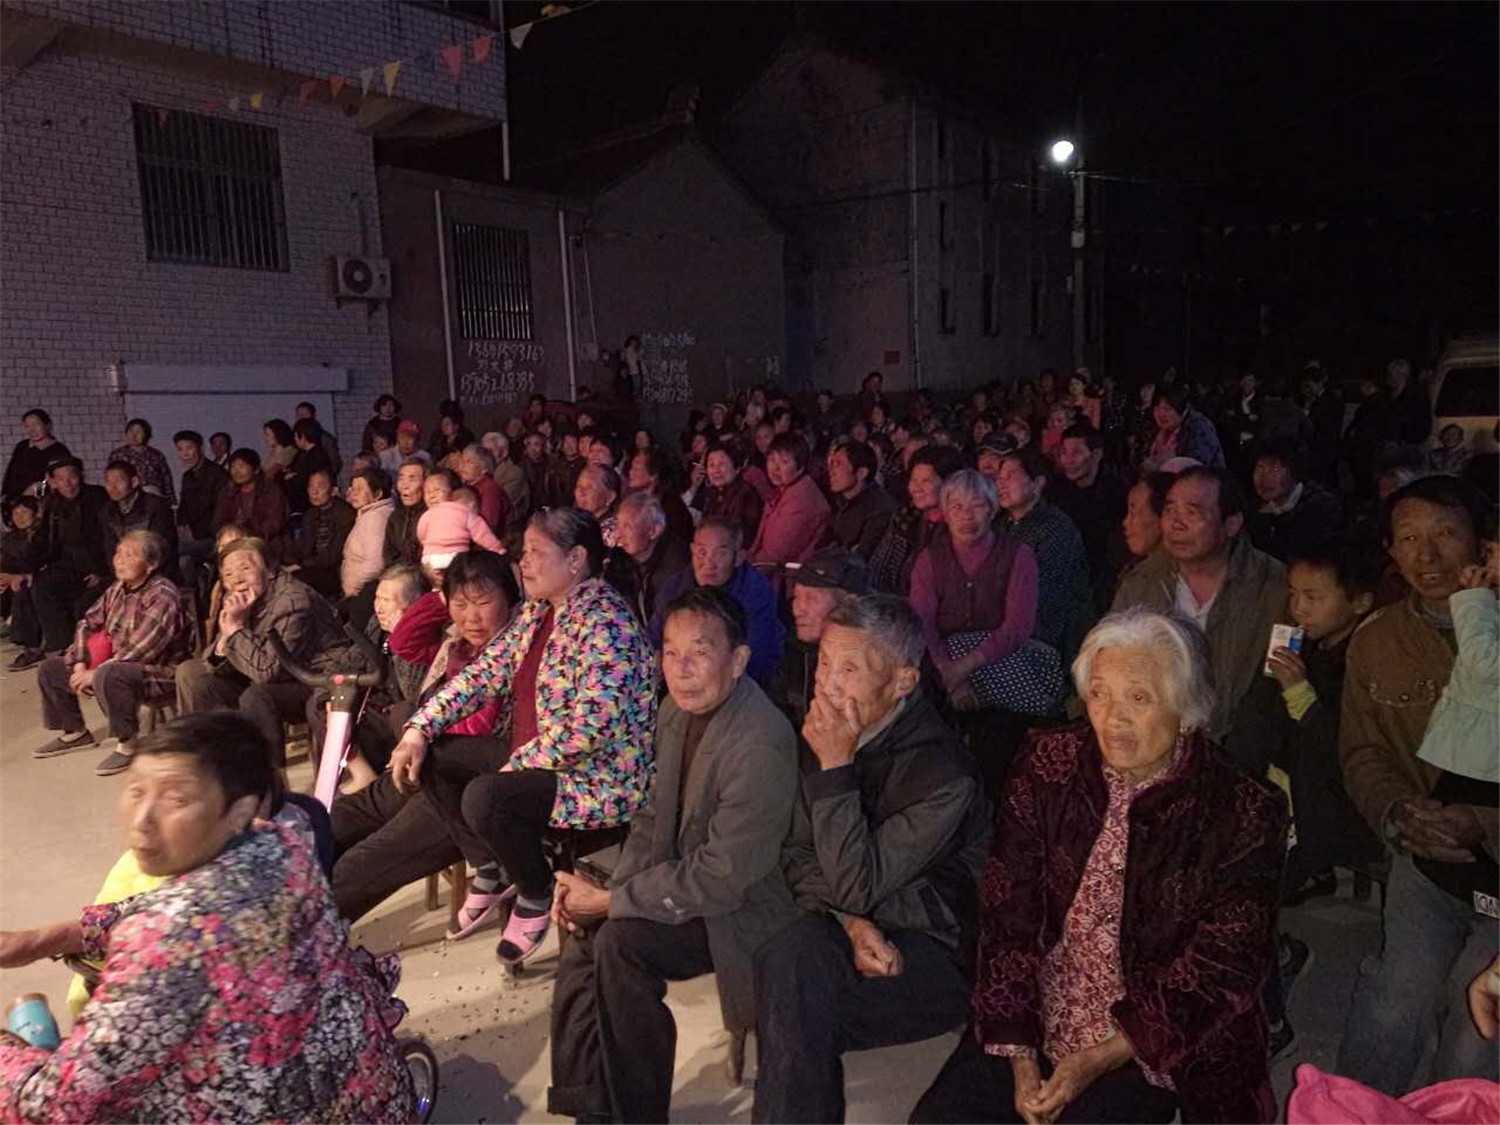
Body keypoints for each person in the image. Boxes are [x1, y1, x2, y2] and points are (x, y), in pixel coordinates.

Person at [911, 608, 1288, 1125]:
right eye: (1099, 694)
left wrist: (1103, 1055)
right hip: (1040, 1009)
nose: (1113, 719)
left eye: (1139, 698)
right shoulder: (1049, 764)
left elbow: (1225, 961)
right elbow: (1007, 912)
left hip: (1152, 1039)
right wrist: (1019, 1053)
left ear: (1187, 709)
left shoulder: (1241, 807)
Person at [0, 711, 416, 1124]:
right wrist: (47, 938)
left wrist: (8, 1057)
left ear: (239, 812)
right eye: (136, 790)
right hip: (371, 1098)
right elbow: (190, 914)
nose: (143, 821)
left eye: (177, 799)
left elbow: (56, 1105)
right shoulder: (282, 846)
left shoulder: (162, 943)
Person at [546, 588, 802, 1122]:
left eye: (699, 652)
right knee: (580, 924)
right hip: (684, 882)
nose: (681, 669)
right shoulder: (674, 712)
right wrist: (605, 893)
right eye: (670, 651)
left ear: (738, 660)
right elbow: (649, 819)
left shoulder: (759, 742)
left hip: (742, 910)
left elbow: (723, 877)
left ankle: (636, 1115)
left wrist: (614, 901)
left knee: (620, 944)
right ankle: (589, 1103)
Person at [751, 594, 990, 1124]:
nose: (829, 685)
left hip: (932, 955)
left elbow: (856, 883)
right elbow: (796, 853)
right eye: (825, 663)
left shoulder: (945, 775)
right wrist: (851, 923)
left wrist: (836, 769)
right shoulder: (827, 731)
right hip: (855, 928)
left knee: (793, 1004)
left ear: (904, 681)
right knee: (790, 959)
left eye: (851, 669)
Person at [388, 508, 658, 964]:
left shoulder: (606, 622)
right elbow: (484, 674)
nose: (524, 562)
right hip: (540, 759)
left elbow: (589, 729)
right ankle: (489, 865)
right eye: (524, 552)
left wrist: (515, 766)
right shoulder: (539, 611)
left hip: (594, 777)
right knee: (432, 753)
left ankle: (536, 889)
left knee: (485, 797)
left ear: (575, 560)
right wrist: (419, 726)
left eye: (535, 552)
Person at [1337, 476, 1499, 1094]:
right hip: (1425, 859)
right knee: (1392, 1000)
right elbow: (1363, 750)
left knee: (1475, 1027)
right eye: (1408, 538)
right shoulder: (1378, 640)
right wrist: (1397, 811)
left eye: (1445, 533)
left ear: (1481, 544)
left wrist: (1483, 822)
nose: (1426, 555)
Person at [1225, 538, 1386, 1052]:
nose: (1298, 608)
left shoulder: (1368, 657)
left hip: (1335, 807)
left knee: (1241, 886)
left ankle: (1268, 1012)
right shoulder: (1302, 647)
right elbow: (1256, 730)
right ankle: (1274, 960)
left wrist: (1299, 693)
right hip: (1283, 791)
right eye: (1293, 595)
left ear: (1359, 602)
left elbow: (1344, 755)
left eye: (1313, 597)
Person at [330, 552, 521, 923]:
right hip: (423, 769)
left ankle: (302, 942)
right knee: (332, 823)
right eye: (460, 604)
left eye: (483, 603)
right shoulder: (453, 645)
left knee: (354, 871)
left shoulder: (519, 650)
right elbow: (405, 638)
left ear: (511, 599)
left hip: (463, 791)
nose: (471, 617)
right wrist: (441, 592)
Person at [1111, 467, 1286, 740]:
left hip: (1237, 746)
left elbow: (1279, 684)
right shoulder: (1142, 582)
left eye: (1192, 513)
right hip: (1155, 740)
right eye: (1169, 510)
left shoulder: (1272, 585)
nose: (1175, 524)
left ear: (1231, 524)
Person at [175, 537, 358, 759]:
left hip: (314, 678)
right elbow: (213, 662)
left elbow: (267, 671)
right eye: (228, 575)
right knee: (191, 673)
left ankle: (268, 774)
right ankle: (209, 761)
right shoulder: (243, 600)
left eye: (245, 569)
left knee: (256, 695)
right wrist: (226, 636)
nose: (237, 580)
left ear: (269, 570)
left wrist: (236, 629)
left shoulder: (292, 600)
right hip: (271, 674)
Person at [32, 530, 190, 776]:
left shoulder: (163, 594)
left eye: (130, 555)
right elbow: (87, 623)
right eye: (118, 553)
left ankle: (128, 744)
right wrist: (80, 665)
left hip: (159, 671)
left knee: (111, 673)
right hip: (115, 665)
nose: (120, 560)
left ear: (151, 564)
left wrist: (96, 672)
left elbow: (142, 648)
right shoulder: (117, 589)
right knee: (50, 668)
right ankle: (74, 731)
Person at [650, 515, 786, 687]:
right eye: (702, 552)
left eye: (720, 554)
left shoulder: (756, 592)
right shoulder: (674, 588)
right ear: (692, 550)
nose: (708, 563)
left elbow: (758, 657)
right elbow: (654, 639)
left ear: (739, 557)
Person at [6, 458, 111, 671]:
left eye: (72, 477)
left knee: (83, 600)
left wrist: (102, 571)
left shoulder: (98, 497)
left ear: (80, 476)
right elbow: (43, 542)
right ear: (53, 482)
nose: (68, 484)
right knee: (37, 584)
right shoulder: (52, 504)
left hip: (98, 566)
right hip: (67, 565)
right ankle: (55, 648)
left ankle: (82, 650)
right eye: (61, 479)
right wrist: (26, 570)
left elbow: (110, 539)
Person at [994, 445, 1093, 668]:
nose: (1001, 484)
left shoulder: (1056, 528)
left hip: (1047, 636)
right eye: (999, 477)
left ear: (1037, 483)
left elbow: (1043, 594)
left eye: (1010, 476)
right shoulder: (1000, 524)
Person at [778, 547, 871, 727]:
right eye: (796, 597)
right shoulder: (793, 648)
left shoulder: (874, 667)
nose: (798, 610)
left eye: (811, 599)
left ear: (849, 604)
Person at [868, 444, 964, 596]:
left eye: (926, 481)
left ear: (948, 483)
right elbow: (880, 569)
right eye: (914, 480)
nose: (916, 488)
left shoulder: (963, 525)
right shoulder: (906, 517)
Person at [1051, 424, 1128, 588]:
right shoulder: (1054, 491)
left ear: (1096, 455)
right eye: (1064, 453)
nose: (1068, 460)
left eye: (1076, 453)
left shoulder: (1118, 494)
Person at [1246, 439, 1345, 562]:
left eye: (1275, 469)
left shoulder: (1322, 508)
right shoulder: (1252, 511)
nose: (1264, 477)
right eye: (1259, 468)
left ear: (1295, 470)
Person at [604, 491, 691, 627]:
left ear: (654, 530)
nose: (618, 535)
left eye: (627, 527)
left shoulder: (676, 567)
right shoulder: (619, 559)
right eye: (618, 526)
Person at [750, 433, 831, 576]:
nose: (775, 468)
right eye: (771, 459)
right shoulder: (782, 490)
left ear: (800, 467)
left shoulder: (802, 499)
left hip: (787, 580)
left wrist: (742, 570)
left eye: (784, 461)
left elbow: (774, 557)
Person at [100, 459, 180, 584]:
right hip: (123, 575)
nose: (112, 487)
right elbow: (110, 548)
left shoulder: (156, 506)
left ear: (134, 482)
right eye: (108, 481)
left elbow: (161, 548)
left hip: (156, 574)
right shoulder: (107, 511)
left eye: (118, 481)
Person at [285, 467, 355, 599]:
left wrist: (300, 566)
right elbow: (302, 545)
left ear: (333, 490)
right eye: (311, 486)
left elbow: (334, 555)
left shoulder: (345, 515)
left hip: (334, 572)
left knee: (298, 580)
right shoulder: (310, 514)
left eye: (320, 486)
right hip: (310, 566)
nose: (314, 492)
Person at [822, 439, 897, 560]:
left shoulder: (879, 509)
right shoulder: (836, 500)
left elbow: (861, 557)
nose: (831, 471)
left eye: (838, 464)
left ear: (861, 473)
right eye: (831, 464)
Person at [172, 429, 228, 592]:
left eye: (189, 448)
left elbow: (220, 512)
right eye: (180, 450)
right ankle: (197, 598)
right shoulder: (187, 477)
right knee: (184, 561)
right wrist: (182, 527)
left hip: (213, 536)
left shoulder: (217, 474)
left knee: (168, 549)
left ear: (200, 448)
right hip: (193, 538)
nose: (185, 454)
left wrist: (195, 532)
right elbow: (183, 507)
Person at [210, 448, 290, 561]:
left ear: (256, 470)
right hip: (233, 541)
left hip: (265, 542)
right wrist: (231, 533)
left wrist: (248, 532)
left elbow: (274, 524)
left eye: (241, 467)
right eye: (233, 467)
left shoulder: (270, 490)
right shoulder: (228, 491)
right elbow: (218, 522)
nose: (236, 471)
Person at [417, 470, 505, 567]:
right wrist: (498, 549)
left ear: (451, 493)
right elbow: (482, 533)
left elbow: (421, 534)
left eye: (437, 490)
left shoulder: (460, 511)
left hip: (434, 557)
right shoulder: (429, 514)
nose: (431, 495)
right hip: (454, 556)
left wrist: (429, 545)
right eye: (426, 492)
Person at [340, 467, 395, 600]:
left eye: (359, 489)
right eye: (352, 488)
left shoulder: (375, 518)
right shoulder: (368, 514)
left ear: (377, 494)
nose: (353, 493)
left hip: (362, 594)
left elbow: (375, 564)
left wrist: (354, 589)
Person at [2, 408, 69, 518]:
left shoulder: (58, 450)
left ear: (48, 425)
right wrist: (4, 495)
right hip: (13, 501)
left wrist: (35, 493)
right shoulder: (22, 446)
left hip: (38, 505)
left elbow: (56, 479)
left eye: (35, 424)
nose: (32, 430)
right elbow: (11, 471)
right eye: (27, 426)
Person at [697, 441, 765, 545]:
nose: (716, 470)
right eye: (711, 465)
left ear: (737, 468)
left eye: (721, 464)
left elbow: (745, 538)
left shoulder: (747, 494)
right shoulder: (713, 494)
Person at [1142, 385, 1225, 471]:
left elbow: (1196, 467)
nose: (1161, 414)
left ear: (1183, 410)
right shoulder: (1154, 428)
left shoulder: (1199, 427)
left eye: (1167, 409)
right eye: (1157, 409)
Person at [626, 448, 695, 543]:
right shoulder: (633, 500)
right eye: (631, 467)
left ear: (653, 475)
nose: (630, 472)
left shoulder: (671, 507)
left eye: (636, 469)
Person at [107, 417, 175, 506]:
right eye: (131, 431)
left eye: (138, 432)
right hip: (128, 496)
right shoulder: (118, 455)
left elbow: (166, 479)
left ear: (146, 435)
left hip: (154, 496)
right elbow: (111, 479)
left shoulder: (156, 455)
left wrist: (171, 502)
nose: (133, 435)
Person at [482, 431, 532, 549]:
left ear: (503, 452)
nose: (486, 456)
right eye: (484, 451)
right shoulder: (484, 472)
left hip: (507, 533)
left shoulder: (513, 473)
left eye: (490, 451)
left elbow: (500, 504)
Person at [281, 418, 333, 514]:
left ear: (303, 436)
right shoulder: (302, 454)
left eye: (296, 436)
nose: (295, 439)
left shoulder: (317, 455)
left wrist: (293, 477)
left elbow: (305, 478)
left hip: (308, 503)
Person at [383, 458, 428, 568]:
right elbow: (389, 555)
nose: (404, 486)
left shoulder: (431, 515)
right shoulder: (396, 516)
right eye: (401, 478)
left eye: (412, 479)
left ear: (426, 484)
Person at [1385, 357, 1433, 453]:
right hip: (1394, 444)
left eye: (1390, 374)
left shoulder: (1416, 394)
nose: (1388, 378)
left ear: (1400, 375)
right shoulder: (1388, 394)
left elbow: (1421, 420)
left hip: (1410, 445)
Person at [573, 463, 622, 548]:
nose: (581, 492)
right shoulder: (572, 522)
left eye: (589, 487)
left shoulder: (615, 534)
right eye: (579, 486)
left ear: (610, 497)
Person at [295, 401, 342, 480]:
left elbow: (335, 463)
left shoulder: (326, 439)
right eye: (299, 415)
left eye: (305, 414)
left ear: (313, 415)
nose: (302, 418)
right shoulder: (296, 439)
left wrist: (323, 477)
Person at [429, 400, 476, 465]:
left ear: (456, 425)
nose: (444, 427)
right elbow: (431, 453)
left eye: (447, 424)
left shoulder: (466, 437)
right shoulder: (437, 437)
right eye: (442, 424)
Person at [261, 418, 296, 485]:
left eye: (267, 434)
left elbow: (273, 471)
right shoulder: (271, 453)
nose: (265, 438)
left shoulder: (289, 451)